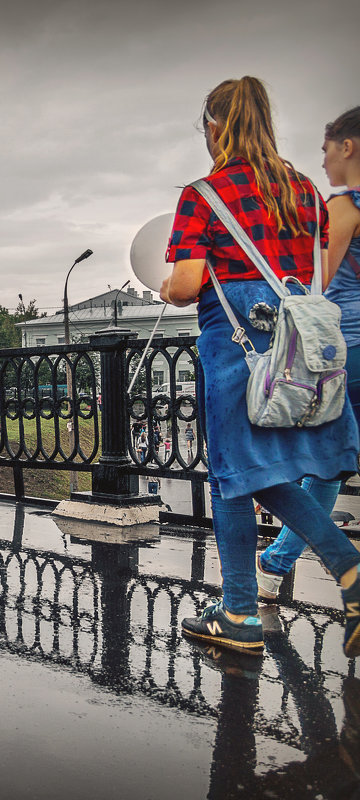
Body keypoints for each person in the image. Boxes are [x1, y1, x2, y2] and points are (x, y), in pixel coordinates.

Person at [161, 78, 360, 656]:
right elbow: (316, 272)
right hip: (303, 345)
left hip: (239, 348)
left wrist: (168, 286)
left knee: (232, 474)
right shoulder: (305, 189)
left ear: (215, 127)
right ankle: (338, 572)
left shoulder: (204, 194)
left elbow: (187, 283)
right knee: (259, 473)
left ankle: (241, 613)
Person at [257, 106, 360, 600]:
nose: (322, 161)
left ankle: (283, 564)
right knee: (332, 463)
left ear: (348, 146)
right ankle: (277, 560)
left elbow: (313, 282)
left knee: (319, 464)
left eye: (325, 150)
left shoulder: (343, 208)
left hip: (344, 353)